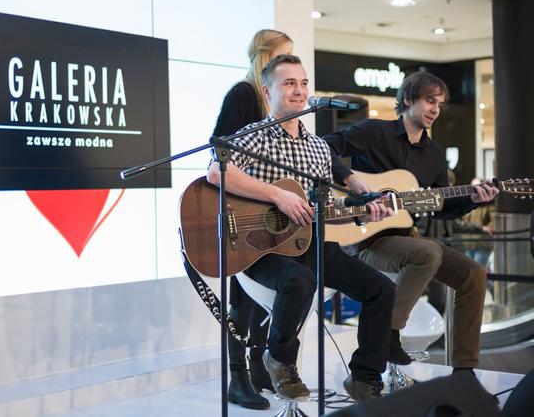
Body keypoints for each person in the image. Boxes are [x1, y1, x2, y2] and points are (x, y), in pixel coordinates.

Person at [207, 54, 397, 402]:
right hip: (260, 246)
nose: (299, 90)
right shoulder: (254, 137)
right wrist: (277, 195)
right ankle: (279, 358)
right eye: (289, 83)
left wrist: (360, 215)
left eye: (303, 83)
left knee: (381, 290)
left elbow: (321, 211)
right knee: (299, 280)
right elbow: (218, 172)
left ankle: (365, 378)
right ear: (267, 91)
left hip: (309, 243)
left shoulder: (319, 148)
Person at [323, 70, 499, 374]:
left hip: (407, 237)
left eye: (440, 104)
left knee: (473, 273)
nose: (435, 110)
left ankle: (464, 370)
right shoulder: (374, 133)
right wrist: (351, 179)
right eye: (430, 101)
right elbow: (324, 146)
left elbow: (443, 206)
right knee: (428, 252)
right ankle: (388, 333)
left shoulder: (433, 153)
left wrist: (474, 198)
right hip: (366, 239)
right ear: (407, 99)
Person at [212, 29, 293, 410]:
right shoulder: (244, 94)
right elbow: (220, 149)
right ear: (266, 58)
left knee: (263, 296)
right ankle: (238, 377)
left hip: (266, 214)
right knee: (241, 298)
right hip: (240, 211)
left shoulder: (276, 106)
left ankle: (260, 369)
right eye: (283, 56)